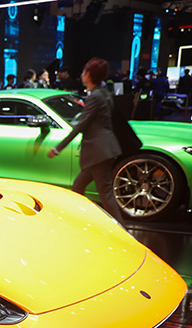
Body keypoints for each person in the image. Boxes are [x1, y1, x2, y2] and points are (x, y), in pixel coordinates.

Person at [47, 58, 124, 225]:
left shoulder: (95, 97)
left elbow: (81, 125)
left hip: (99, 152)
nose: (81, 75)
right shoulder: (104, 93)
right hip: (102, 151)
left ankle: (122, 229)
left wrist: (58, 148)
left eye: (83, 72)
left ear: (88, 75)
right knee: (78, 186)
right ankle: (76, 221)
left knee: (105, 194)